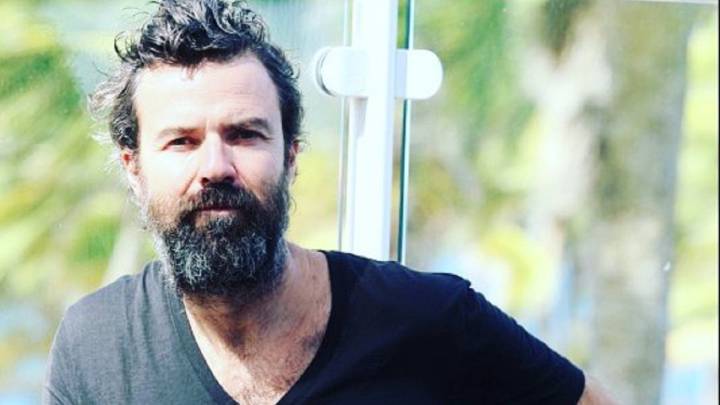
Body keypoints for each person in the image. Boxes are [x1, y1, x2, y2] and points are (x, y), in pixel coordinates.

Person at [43, 1, 613, 404]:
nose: (215, 166)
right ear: (134, 167)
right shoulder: (96, 348)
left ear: (291, 155)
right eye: (182, 142)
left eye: (245, 134)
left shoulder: (426, 319)